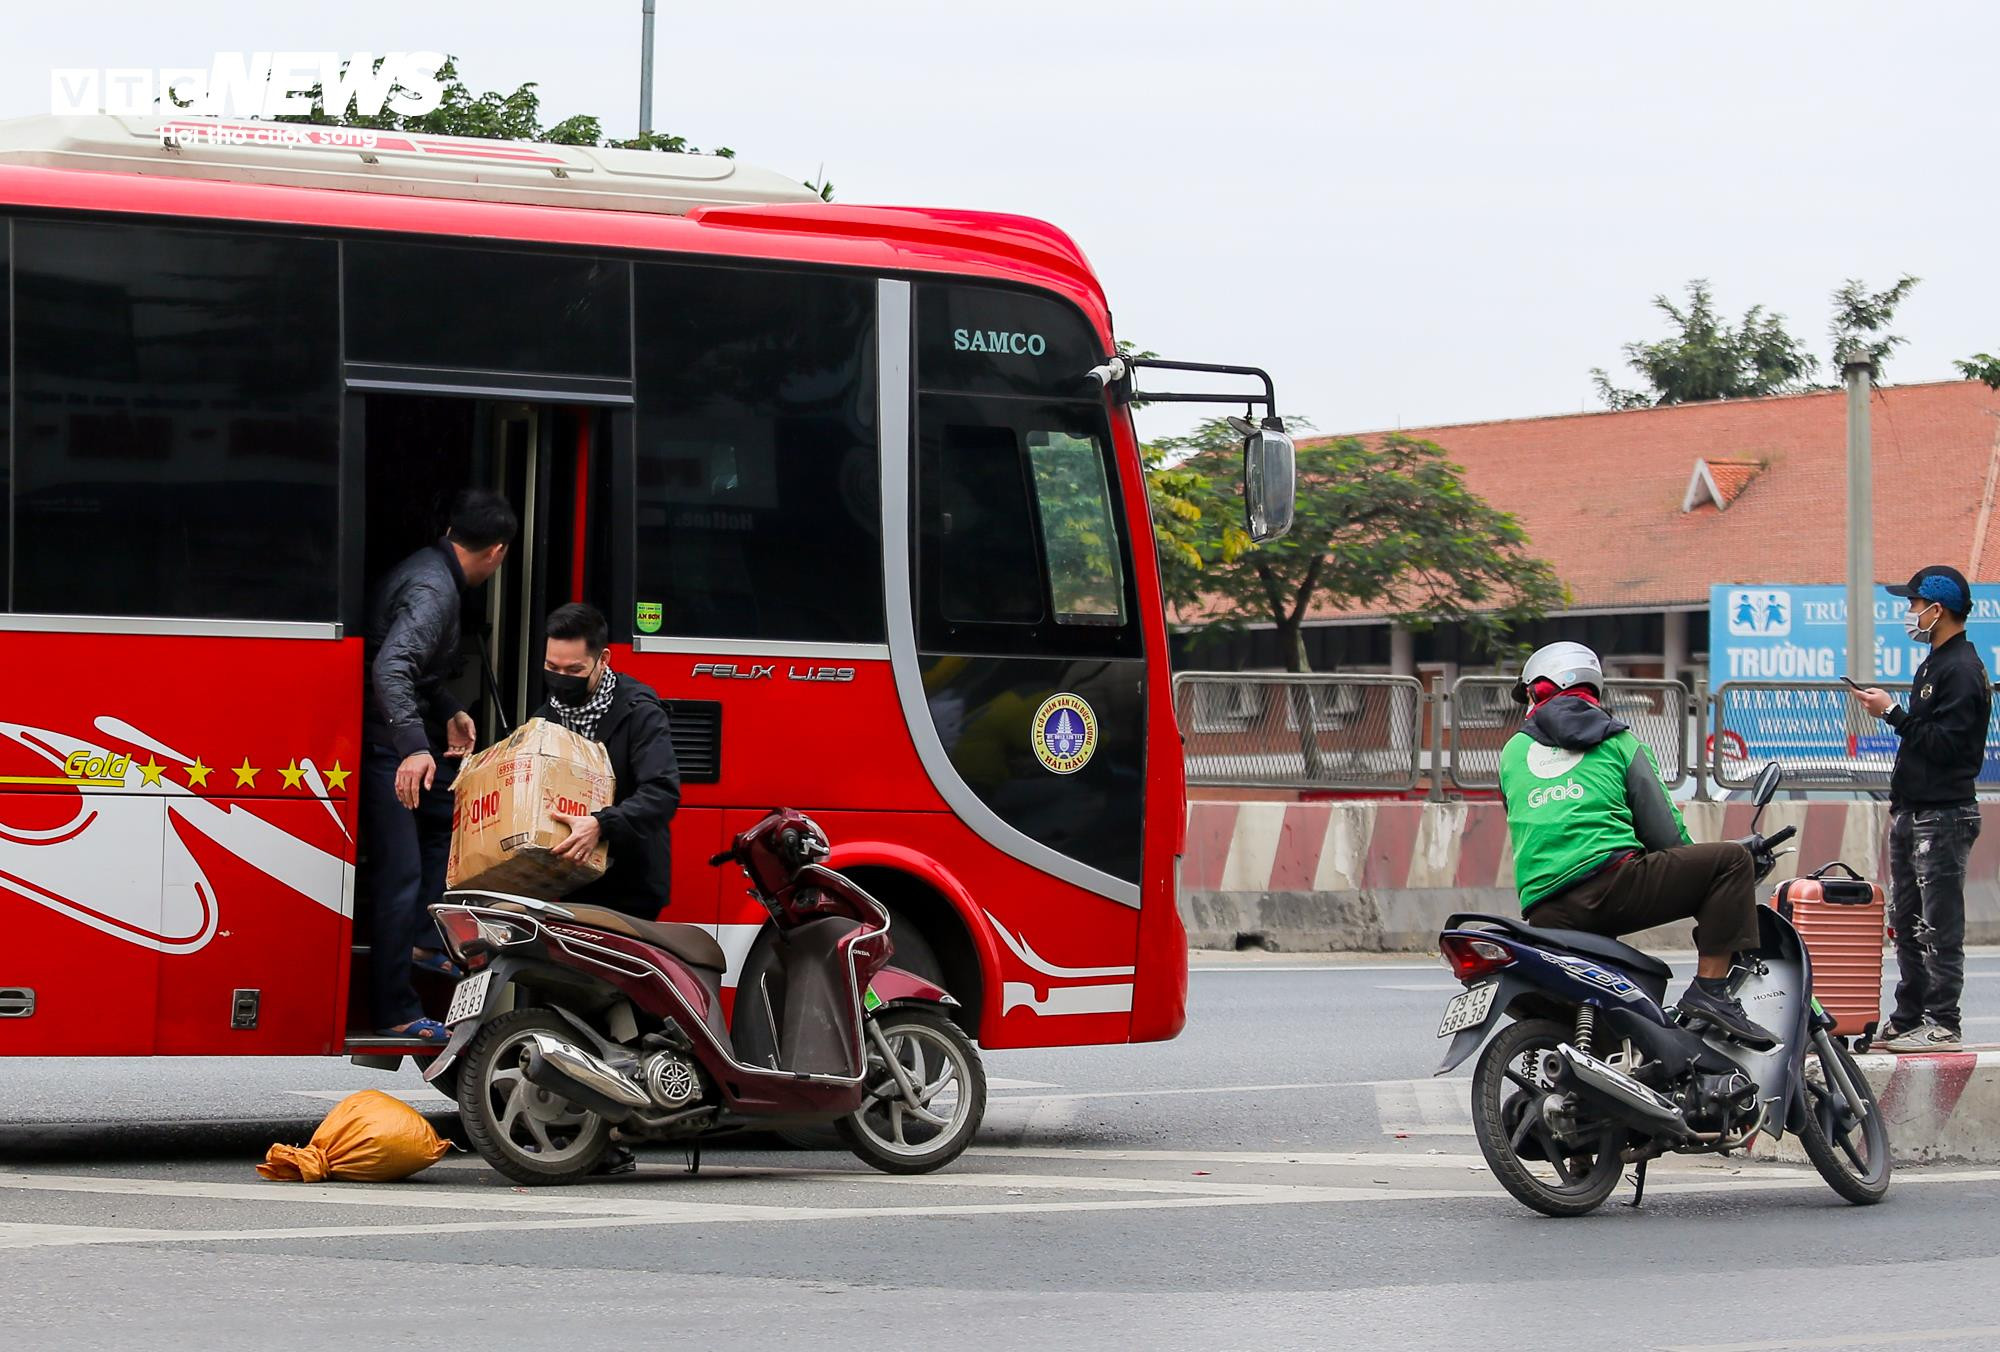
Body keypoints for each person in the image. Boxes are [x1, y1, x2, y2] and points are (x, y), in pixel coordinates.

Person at [1499, 641, 1777, 1047]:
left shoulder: (1511, 753)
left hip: (1544, 911)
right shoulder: (1620, 743)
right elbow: (1667, 837)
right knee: (1730, 862)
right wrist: (1695, 869)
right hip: (1613, 888)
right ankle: (1711, 994)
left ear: (1537, 691)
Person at [360, 489, 518, 1041]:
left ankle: (427, 942)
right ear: (497, 552)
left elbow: (417, 673)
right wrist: (412, 746)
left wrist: (449, 709)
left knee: (445, 818)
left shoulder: (431, 572)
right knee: (401, 878)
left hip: (397, 737)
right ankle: (395, 1009)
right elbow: (392, 667)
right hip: (385, 746)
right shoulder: (434, 589)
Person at [1851, 565, 1991, 1053]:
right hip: (1912, 810)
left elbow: (1949, 748)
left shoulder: (1962, 670)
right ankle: (1909, 1016)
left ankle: (1943, 1021)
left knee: (1938, 923)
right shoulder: (1933, 663)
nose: (1909, 614)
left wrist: (1892, 713)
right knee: (1905, 921)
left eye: (1913, 605)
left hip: (1944, 815)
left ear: (1939, 609)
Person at [535, 602, 682, 918]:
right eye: (552, 668)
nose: (561, 679)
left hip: (630, 889)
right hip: (567, 887)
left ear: (602, 660)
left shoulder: (639, 712)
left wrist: (601, 824)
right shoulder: (543, 720)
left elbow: (661, 793)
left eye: (573, 671)